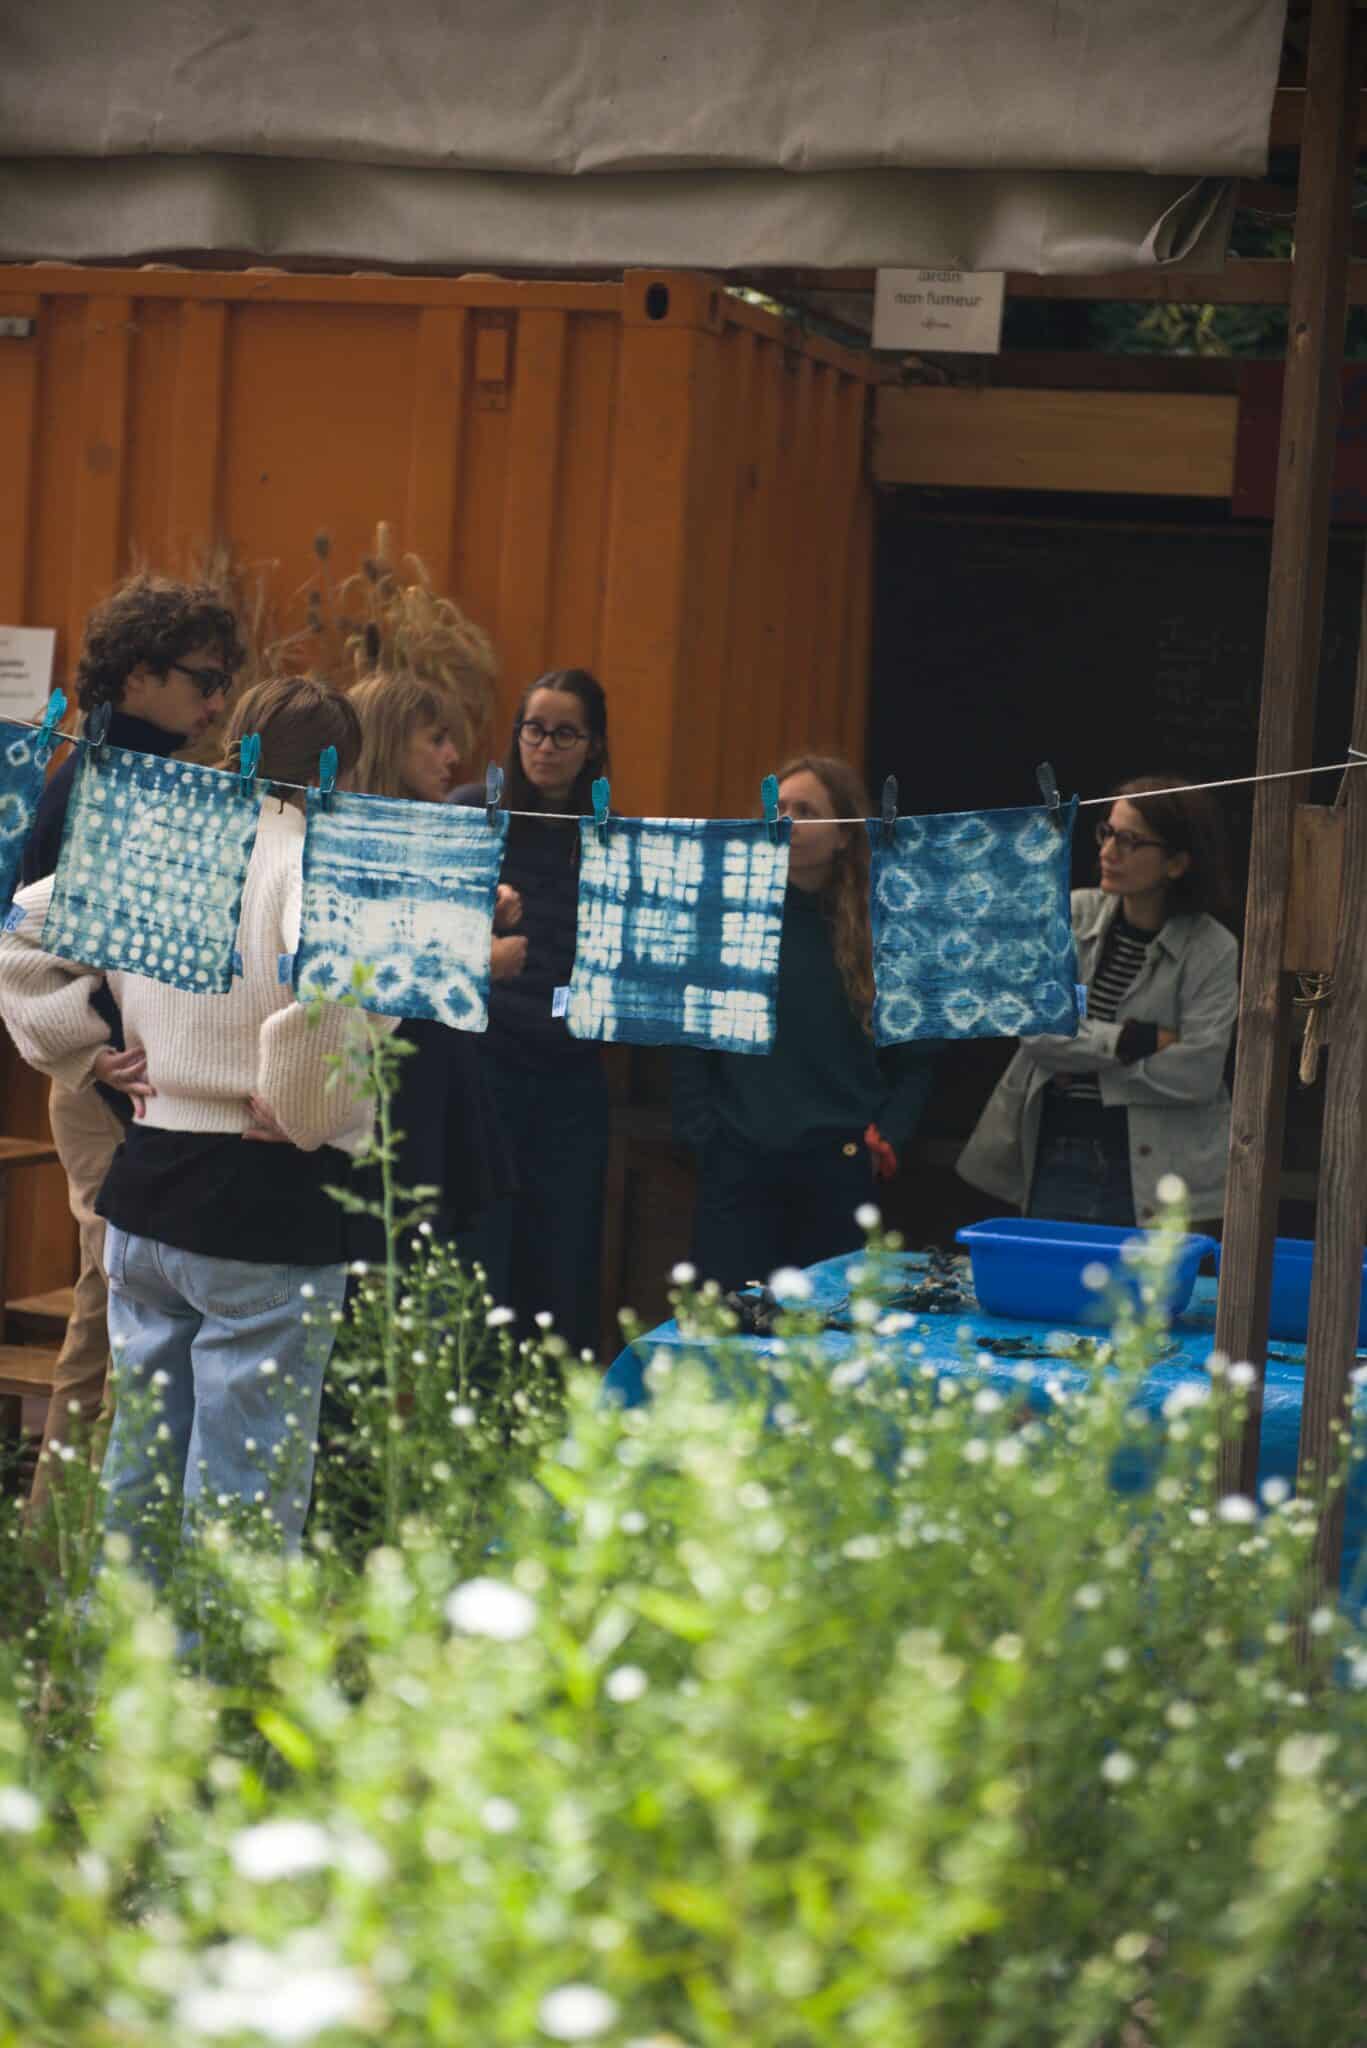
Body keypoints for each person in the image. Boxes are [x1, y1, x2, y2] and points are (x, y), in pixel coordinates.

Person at [0, 678, 390, 1573]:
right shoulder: (315, 859)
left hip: (150, 1181)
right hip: (265, 1199)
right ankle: (211, 1696)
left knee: (138, 1467)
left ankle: (127, 1683)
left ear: (240, 737)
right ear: (339, 765)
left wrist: (79, 1047)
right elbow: (336, 990)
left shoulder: (150, 846)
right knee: (244, 1485)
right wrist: (300, 1104)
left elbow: (16, 931)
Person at [19, 573, 245, 1528]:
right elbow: (24, 940)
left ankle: (69, 1562)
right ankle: (55, 1565)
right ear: (141, 674)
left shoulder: (148, 771)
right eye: (203, 678)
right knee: (106, 1324)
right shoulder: (99, 777)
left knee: (118, 1320)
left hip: (133, 1083)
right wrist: (91, 1046)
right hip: (109, 1087)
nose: (217, 699)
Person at [673, 755, 939, 1293]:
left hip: (837, 1169)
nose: (788, 820)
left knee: (822, 1341)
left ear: (844, 835)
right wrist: (706, 1135)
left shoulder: (880, 929)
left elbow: (919, 1054)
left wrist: (886, 1138)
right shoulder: (729, 917)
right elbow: (688, 1035)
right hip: (739, 1164)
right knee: (726, 1341)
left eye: (806, 811)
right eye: (779, 808)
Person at [958, 777, 1239, 1229]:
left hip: (1158, 1167)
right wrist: (1137, 1040)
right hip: (1059, 1145)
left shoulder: (1213, 947)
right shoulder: (1074, 912)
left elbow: (1200, 1071)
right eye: (1107, 833)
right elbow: (1037, 1029)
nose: (1108, 852)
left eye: (1129, 841)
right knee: (1052, 1289)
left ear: (1177, 863)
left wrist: (1083, 1057)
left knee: (1141, 1297)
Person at [450, 668, 611, 1356]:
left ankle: (547, 1427)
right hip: (483, 1066)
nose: (544, 747)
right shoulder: (473, 813)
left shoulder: (607, 833)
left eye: (564, 733)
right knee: (480, 1256)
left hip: (571, 1072)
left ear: (593, 746)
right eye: (533, 729)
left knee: (561, 1256)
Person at [347, 670, 523, 1255]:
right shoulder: (349, 837)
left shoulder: (427, 830)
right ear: (390, 741)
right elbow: (368, 976)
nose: (453, 756)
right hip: (379, 1097)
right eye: (436, 739)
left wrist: (479, 916)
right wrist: (478, 962)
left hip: (432, 1089)